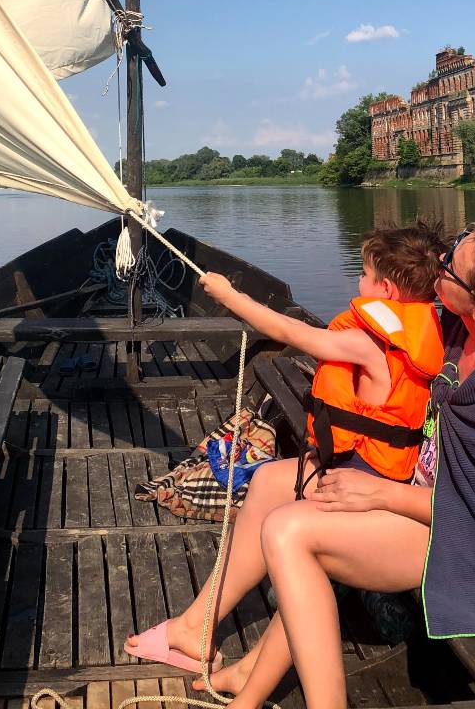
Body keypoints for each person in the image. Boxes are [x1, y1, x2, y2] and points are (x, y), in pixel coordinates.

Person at [182, 215, 475, 709]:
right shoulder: (454, 326)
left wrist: (381, 493)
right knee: (273, 483)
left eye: (450, 268)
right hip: (421, 488)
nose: (440, 268)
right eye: (453, 246)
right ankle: (230, 655)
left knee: (290, 533)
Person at [124, 220, 446, 672]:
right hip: (371, 471)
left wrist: (229, 297)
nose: (358, 283)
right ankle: (195, 626)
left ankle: (214, 632)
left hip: (361, 489)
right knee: (271, 479)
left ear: (386, 289)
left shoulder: (366, 343)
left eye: (364, 275)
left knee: (280, 515)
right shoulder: (426, 332)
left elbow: (288, 332)